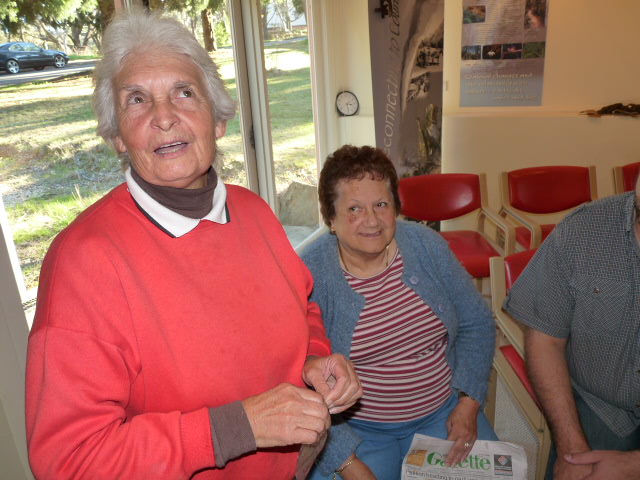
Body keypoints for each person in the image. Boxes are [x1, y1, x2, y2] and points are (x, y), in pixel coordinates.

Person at [25, 9, 362, 480]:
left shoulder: (253, 211)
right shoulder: (84, 262)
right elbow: (70, 460)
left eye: (184, 93)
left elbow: (301, 306)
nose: (163, 117)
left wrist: (313, 360)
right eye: (137, 100)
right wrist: (234, 428)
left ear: (218, 119)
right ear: (118, 136)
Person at [301, 145, 497, 480]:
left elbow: (477, 323)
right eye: (354, 209)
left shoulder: (426, 246)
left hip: (443, 413)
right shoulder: (310, 273)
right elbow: (297, 379)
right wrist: (346, 461)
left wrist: (469, 403)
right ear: (330, 219)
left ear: (396, 208)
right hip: (354, 431)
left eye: (381, 204)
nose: (372, 220)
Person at [504, 177, 640, 480]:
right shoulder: (583, 230)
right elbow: (545, 340)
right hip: (602, 404)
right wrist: (572, 447)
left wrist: (632, 467)